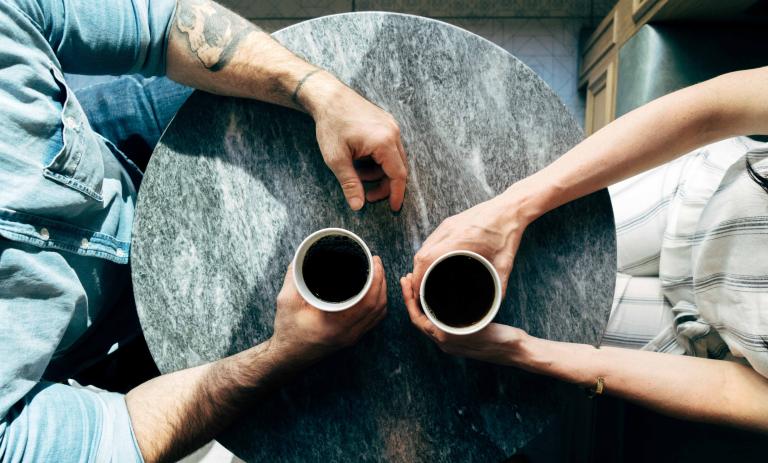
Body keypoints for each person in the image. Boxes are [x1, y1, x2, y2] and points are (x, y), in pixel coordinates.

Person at [0, 0, 406, 461]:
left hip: (116, 144)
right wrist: (281, 355)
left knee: (369, 111)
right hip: (103, 332)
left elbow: (161, 25)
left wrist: (320, 92)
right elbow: (113, 436)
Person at [402, 67, 768, 433]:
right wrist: (511, 209)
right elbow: (713, 110)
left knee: (536, 320)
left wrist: (522, 350)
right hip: (697, 201)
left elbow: (731, 392)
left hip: (710, 343)